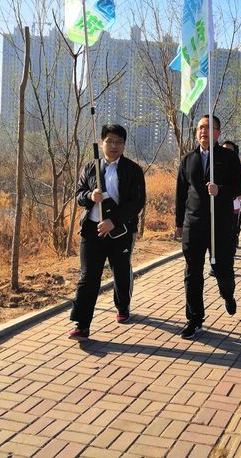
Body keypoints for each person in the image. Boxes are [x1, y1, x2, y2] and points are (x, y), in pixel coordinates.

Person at [69, 124, 146, 340]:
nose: (114, 146)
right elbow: (78, 193)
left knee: (120, 273)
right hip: (92, 231)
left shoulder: (133, 170)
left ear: (124, 145)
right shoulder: (91, 167)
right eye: (110, 141)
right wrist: (89, 196)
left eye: (119, 142)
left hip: (119, 232)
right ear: (102, 142)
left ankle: (122, 305)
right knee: (88, 277)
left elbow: (137, 202)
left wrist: (113, 221)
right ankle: (81, 324)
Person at [175, 115, 241, 339]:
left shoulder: (228, 157)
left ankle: (228, 294)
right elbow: (181, 194)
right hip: (193, 225)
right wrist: (179, 223)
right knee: (192, 272)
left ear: (218, 132)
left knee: (223, 268)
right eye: (200, 128)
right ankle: (194, 318)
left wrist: (220, 191)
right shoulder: (188, 159)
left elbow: (238, 187)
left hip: (220, 225)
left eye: (209, 128)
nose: (203, 131)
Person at [222, 141, 241, 249]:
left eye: (230, 150)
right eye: (224, 149)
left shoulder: (240, 168)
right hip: (219, 205)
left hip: (234, 206)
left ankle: (231, 249)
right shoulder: (216, 166)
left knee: (232, 229)